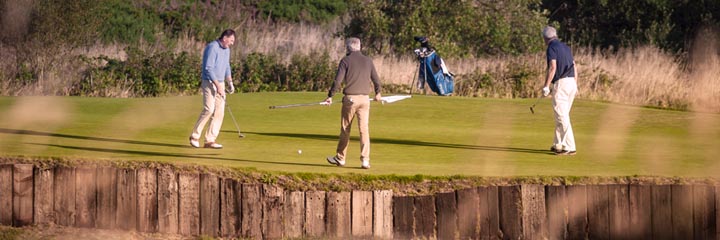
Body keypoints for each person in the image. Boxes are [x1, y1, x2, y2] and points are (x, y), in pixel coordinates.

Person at [325, 37, 382, 169]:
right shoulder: (368, 61)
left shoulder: (345, 60)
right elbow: (376, 80)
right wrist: (378, 93)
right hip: (365, 100)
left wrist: (330, 96)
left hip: (350, 99)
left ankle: (340, 158)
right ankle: (365, 160)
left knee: (346, 129)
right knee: (364, 130)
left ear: (348, 48)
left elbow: (337, 81)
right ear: (359, 47)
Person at [189, 29, 236, 149]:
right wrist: (218, 85)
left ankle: (210, 140)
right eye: (231, 40)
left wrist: (229, 82)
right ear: (224, 38)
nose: (232, 43)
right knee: (209, 109)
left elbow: (226, 65)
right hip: (209, 82)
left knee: (219, 112)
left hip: (220, 83)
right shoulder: (212, 47)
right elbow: (208, 68)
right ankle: (194, 136)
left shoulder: (227, 50)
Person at [541, 26, 577, 155]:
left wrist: (546, 86)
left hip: (562, 84)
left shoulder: (551, 48)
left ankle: (569, 146)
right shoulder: (566, 47)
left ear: (545, 38)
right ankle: (558, 144)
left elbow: (552, 67)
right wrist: (574, 83)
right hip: (571, 82)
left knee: (562, 116)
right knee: (560, 115)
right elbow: (574, 65)